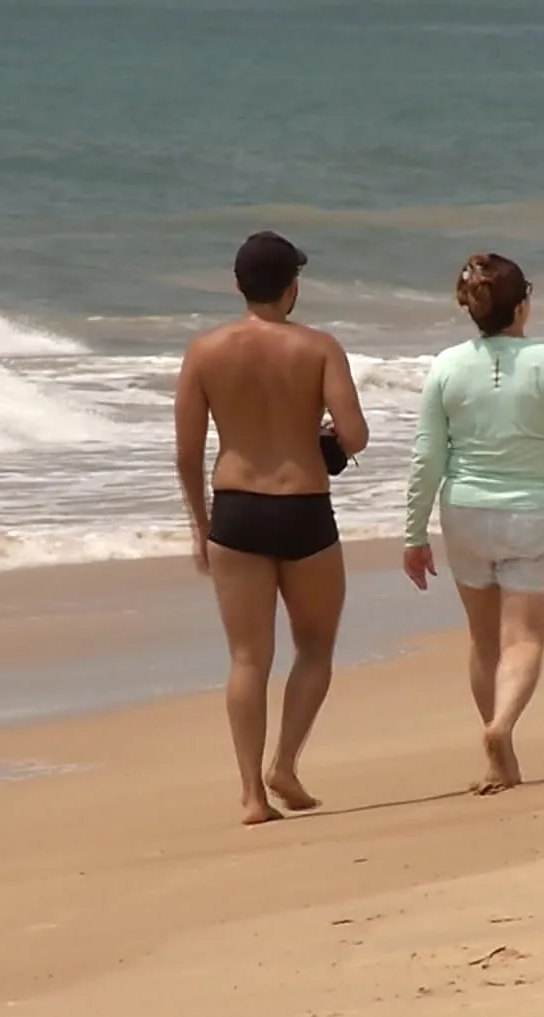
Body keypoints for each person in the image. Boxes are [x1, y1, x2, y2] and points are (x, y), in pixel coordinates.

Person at [401, 252, 544, 795]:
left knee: (484, 643)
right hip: (534, 515)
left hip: (464, 515)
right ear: (523, 304)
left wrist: (414, 534)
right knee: (523, 638)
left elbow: (426, 457)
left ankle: (499, 758)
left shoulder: (446, 366)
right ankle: (501, 728)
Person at [173, 231, 370, 825]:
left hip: (236, 511)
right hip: (304, 509)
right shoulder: (319, 348)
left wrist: (199, 526)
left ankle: (252, 797)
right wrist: (322, 439)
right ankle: (283, 763)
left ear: (238, 284)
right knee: (315, 647)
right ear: (293, 287)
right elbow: (355, 435)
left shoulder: (204, 351)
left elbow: (186, 454)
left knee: (247, 658)